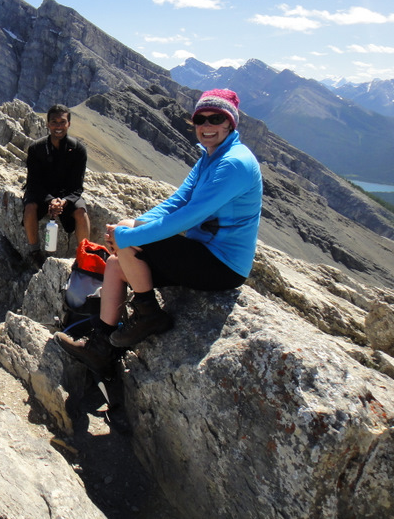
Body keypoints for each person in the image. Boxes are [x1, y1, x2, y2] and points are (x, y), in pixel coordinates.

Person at [55, 89, 263, 377]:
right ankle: (101, 348)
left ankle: (149, 313)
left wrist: (128, 237)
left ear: (230, 123)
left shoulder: (233, 164)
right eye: (199, 119)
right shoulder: (210, 158)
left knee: (128, 238)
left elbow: (188, 217)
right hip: (203, 253)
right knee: (116, 262)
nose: (206, 126)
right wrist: (132, 226)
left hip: (222, 265)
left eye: (216, 118)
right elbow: (176, 201)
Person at [23, 104, 91, 268]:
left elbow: (77, 186)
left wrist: (64, 201)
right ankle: (35, 252)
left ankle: (85, 255)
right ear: (47, 124)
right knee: (30, 208)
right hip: (41, 193)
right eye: (54, 122)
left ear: (69, 124)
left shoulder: (78, 150)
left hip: (67, 194)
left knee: (81, 212)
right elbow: (33, 182)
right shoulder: (36, 149)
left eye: (62, 122)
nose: (58, 126)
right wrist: (50, 200)